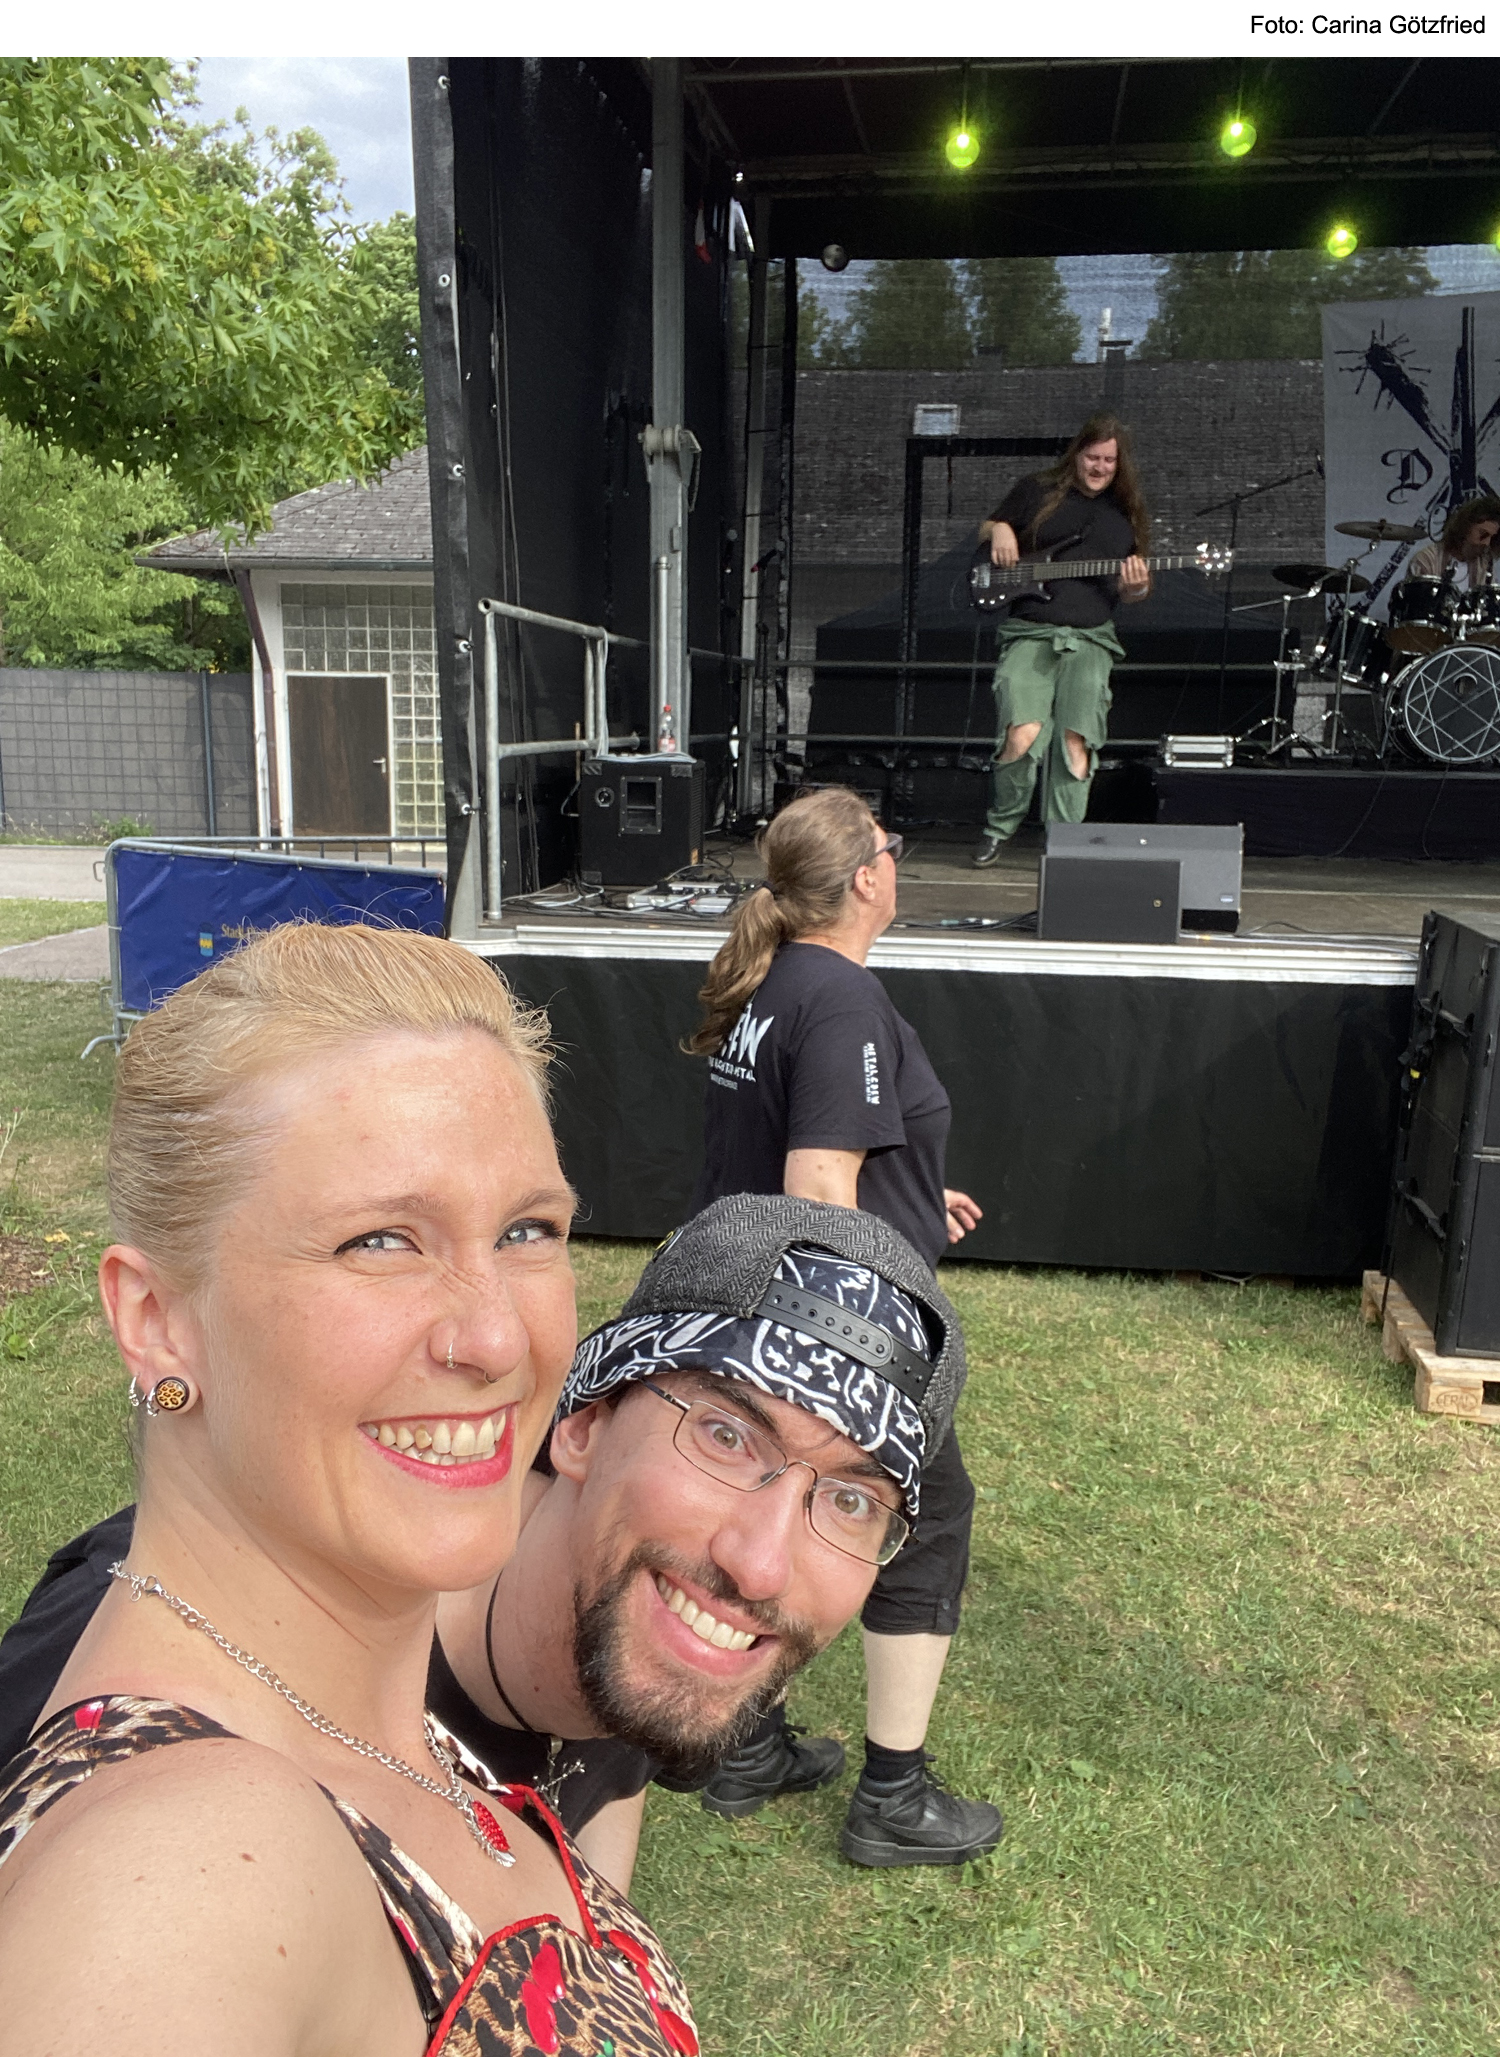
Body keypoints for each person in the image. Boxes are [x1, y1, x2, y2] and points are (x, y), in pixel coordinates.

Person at [0, 923, 698, 2057]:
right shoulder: (180, 1868)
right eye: (380, 1240)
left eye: (527, 1229)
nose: (496, 1337)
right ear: (157, 1319)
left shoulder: (370, 1729)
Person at [0, 1196, 966, 1901]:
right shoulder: (163, 1654)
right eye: (724, 1435)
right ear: (583, 1425)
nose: (760, 1564)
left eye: (852, 1499)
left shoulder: (632, 1642)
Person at [685, 785, 1001, 1869]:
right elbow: (818, 1180)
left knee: (771, 1505)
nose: (896, 861)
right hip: (823, 1322)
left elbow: (807, 1144)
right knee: (922, 1513)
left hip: (754, 1304)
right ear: (868, 876)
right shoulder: (844, 997)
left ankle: (745, 1747)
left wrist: (914, 1196)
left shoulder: (780, 981)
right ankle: (892, 1799)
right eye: (890, 847)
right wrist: (863, 1354)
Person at [972, 412, 1153, 866]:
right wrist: (1000, 528)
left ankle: (1065, 841)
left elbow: (1132, 591)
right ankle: (1000, 827)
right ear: (1077, 455)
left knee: (1076, 741)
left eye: (1109, 460)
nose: (1099, 467)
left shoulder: (1126, 513)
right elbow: (988, 528)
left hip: (1091, 639)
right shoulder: (1036, 491)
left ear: (1119, 464)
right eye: (1093, 457)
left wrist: (1136, 588)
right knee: (1022, 733)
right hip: (1031, 632)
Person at [1403, 496, 1500, 588]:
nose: (1487, 543)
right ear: (1466, 527)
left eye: (1493, 538)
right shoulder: (1426, 560)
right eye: (1483, 534)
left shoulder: (1484, 566)